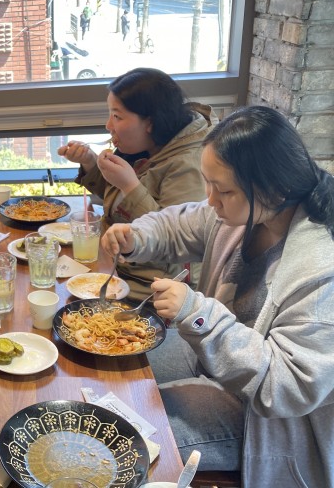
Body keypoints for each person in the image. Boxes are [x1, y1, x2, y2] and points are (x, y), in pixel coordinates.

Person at [100, 106, 334, 487]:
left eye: (222, 190)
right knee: (109, 360)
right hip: (217, 362)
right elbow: (179, 222)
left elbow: (287, 387)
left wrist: (199, 315)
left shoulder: (321, 268)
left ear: (273, 186)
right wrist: (136, 236)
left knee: (123, 436)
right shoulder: (243, 211)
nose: (210, 200)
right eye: (209, 184)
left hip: (268, 425)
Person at [58, 68, 216, 298]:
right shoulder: (148, 145)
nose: (108, 125)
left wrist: (130, 187)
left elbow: (171, 239)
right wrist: (90, 163)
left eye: (117, 116)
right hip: (116, 268)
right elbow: (122, 206)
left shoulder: (191, 163)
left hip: (152, 294)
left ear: (150, 122)